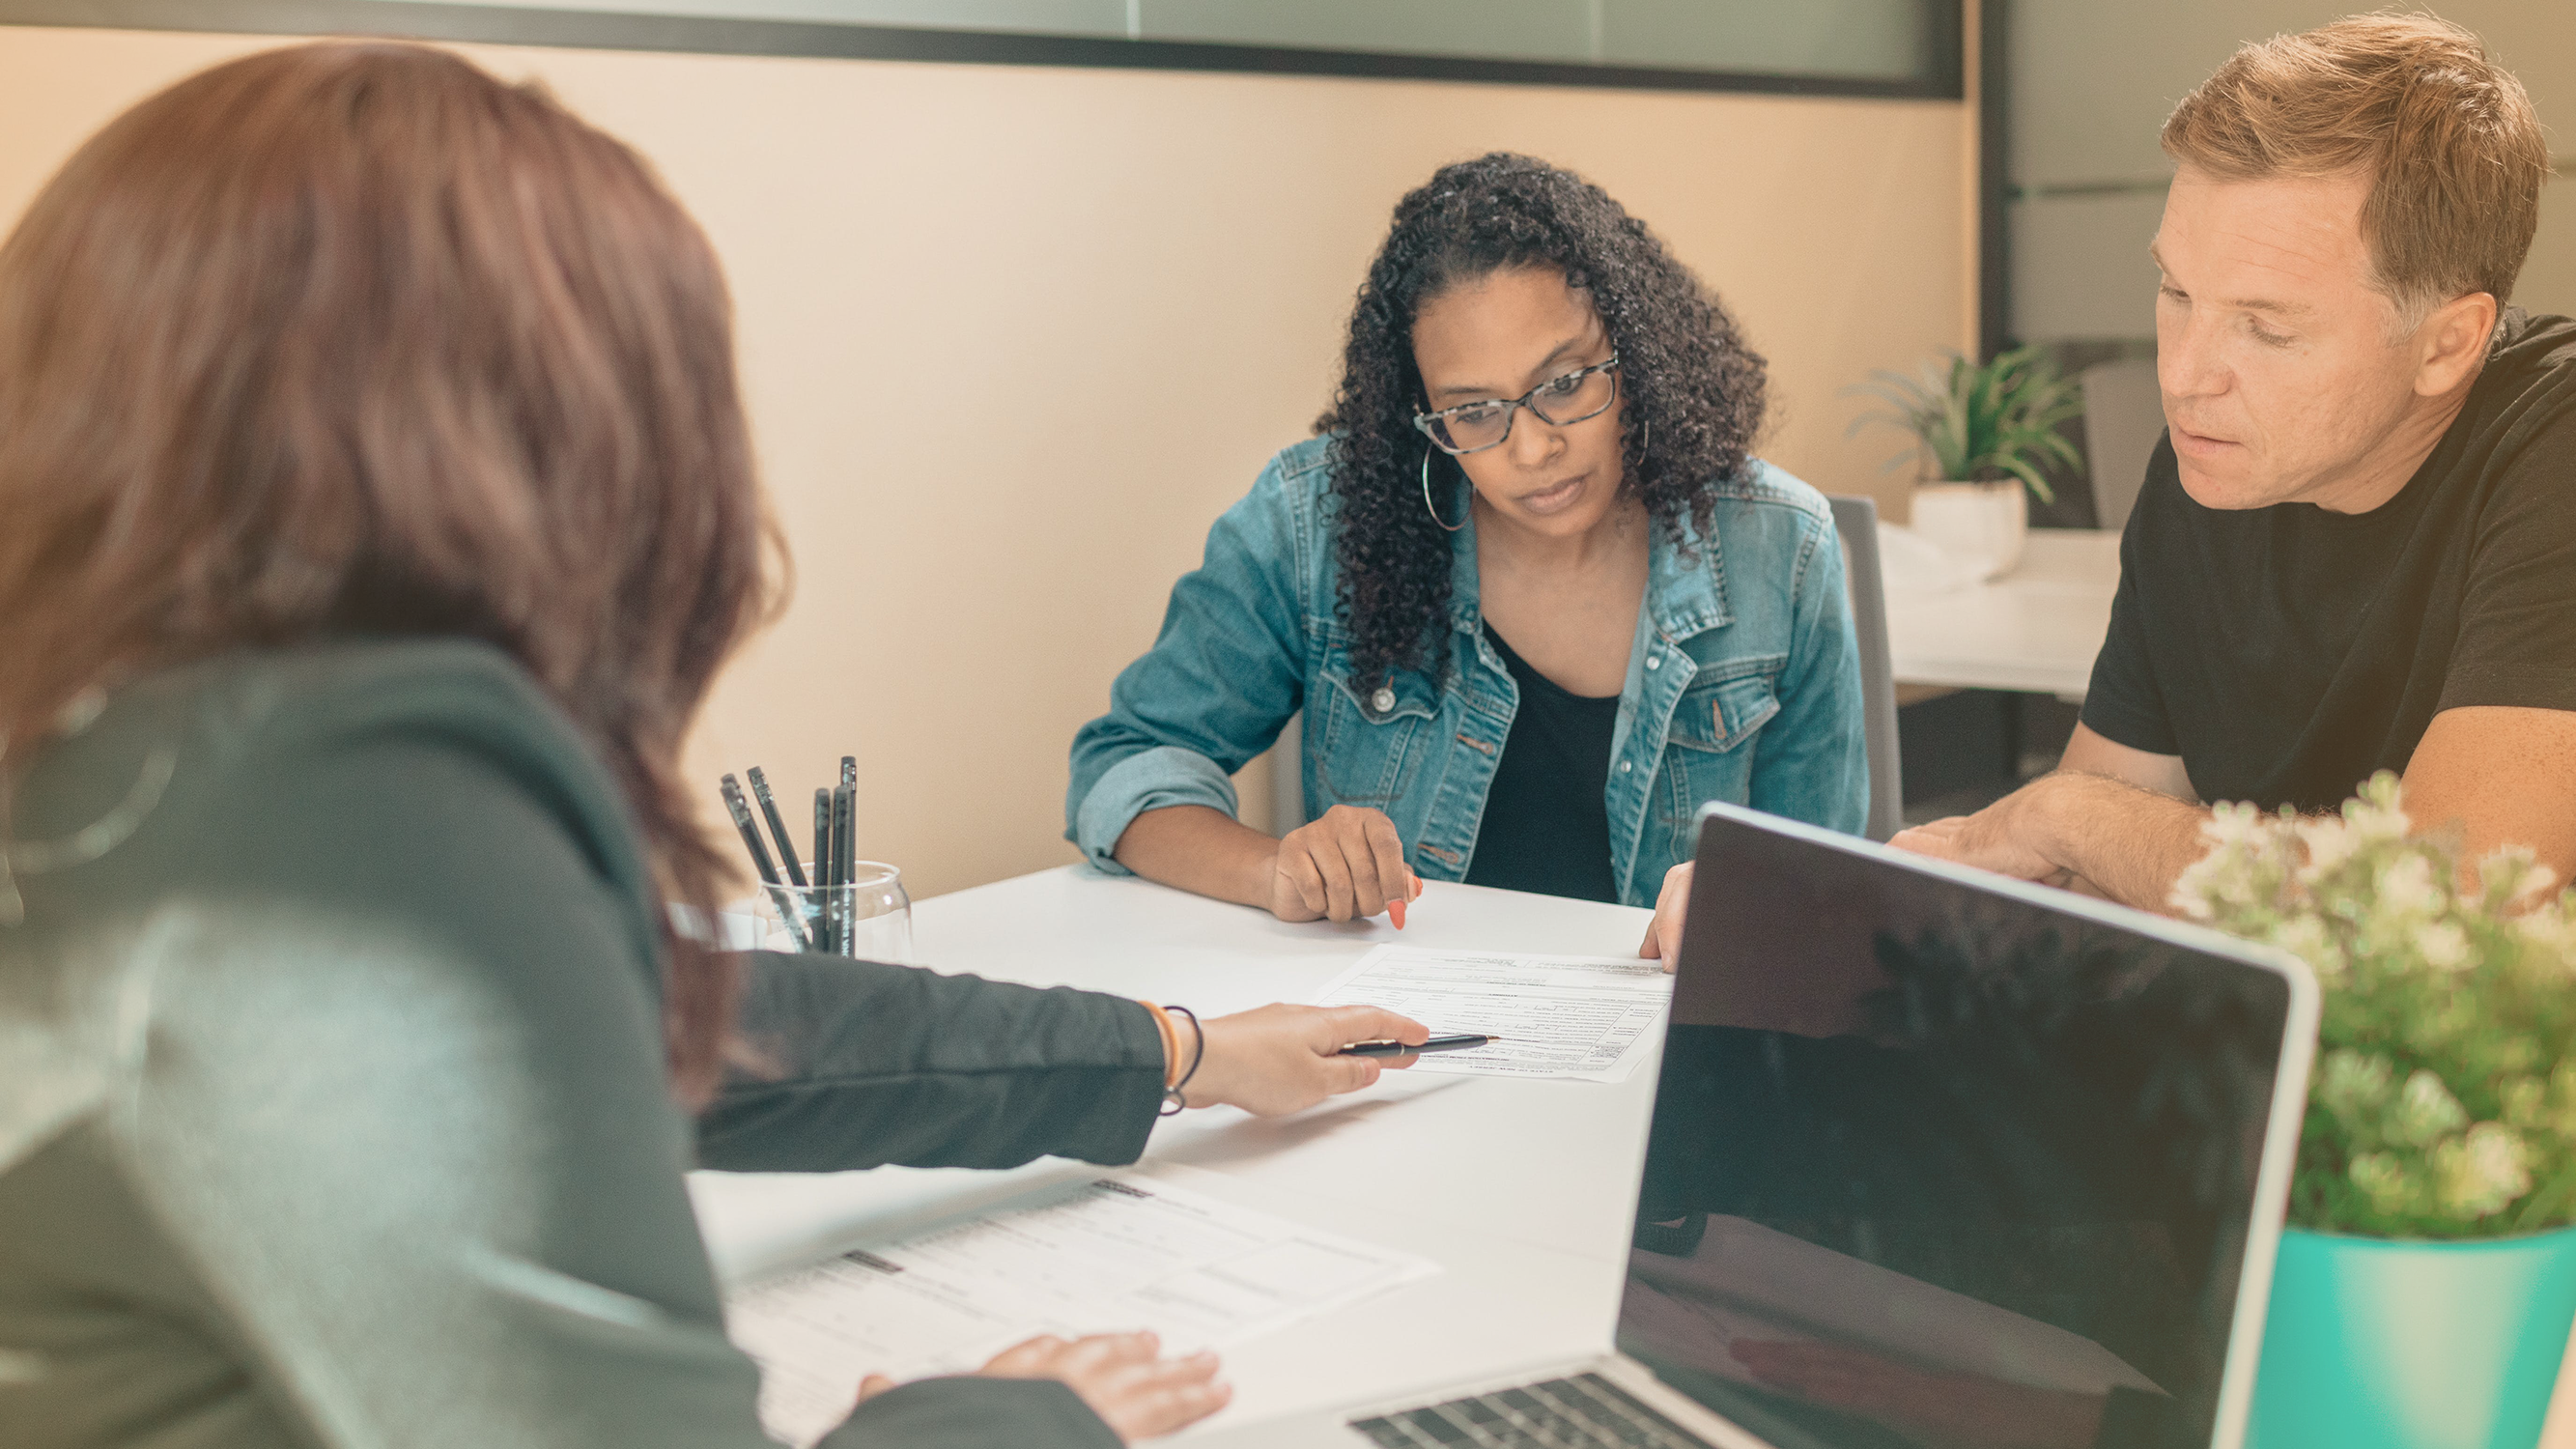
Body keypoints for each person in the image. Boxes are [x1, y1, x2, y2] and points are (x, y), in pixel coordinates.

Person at [0, 43, 1428, 1449]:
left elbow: (682, 1022)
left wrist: (1172, 1051)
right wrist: (986, 1426)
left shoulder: (129, 762)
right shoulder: (343, 817)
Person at [1066, 154, 1867, 961]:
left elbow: (1823, 878)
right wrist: (1276, 868)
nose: (1532, 447)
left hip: (1656, 1041)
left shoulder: (1779, 544)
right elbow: (1125, 767)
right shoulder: (1313, 523)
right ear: (1422, 417)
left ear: (1639, 353)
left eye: (1565, 383)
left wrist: (1760, 900)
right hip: (1403, 1043)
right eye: (1473, 412)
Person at [1881, 14, 2574, 914]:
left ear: (2447, 345)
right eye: (2175, 291)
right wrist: (1803, 910)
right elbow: (2073, 888)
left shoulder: (2551, 448)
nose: (2182, 376)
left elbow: (2449, 897)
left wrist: (2070, 816)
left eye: (2267, 327)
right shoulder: (2211, 462)